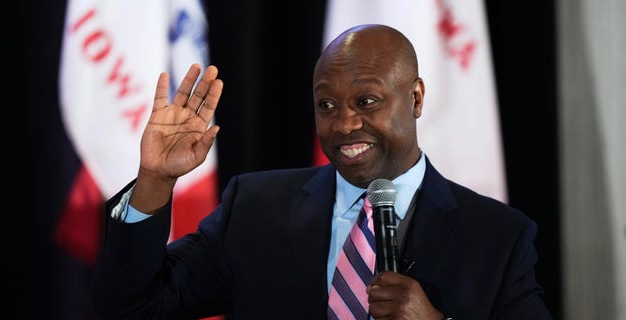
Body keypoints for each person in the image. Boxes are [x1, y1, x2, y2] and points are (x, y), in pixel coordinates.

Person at [90, 24, 553, 319]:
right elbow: (132, 307)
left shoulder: (499, 237)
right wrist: (155, 179)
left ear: (414, 98)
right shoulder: (253, 210)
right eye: (326, 105)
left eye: (366, 102)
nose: (345, 123)